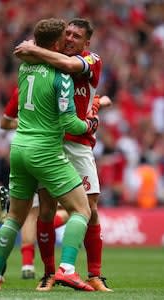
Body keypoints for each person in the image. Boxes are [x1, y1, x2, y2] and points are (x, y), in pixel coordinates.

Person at [0, 18, 98, 291]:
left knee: (15, 218)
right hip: (45, 150)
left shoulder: (25, 68)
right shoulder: (63, 77)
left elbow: (29, 54)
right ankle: (67, 270)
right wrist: (90, 124)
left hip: (19, 148)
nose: (69, 41)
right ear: (57, 43)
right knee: (81, 210)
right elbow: (70, 124)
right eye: (65, 37)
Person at [14, 18, 113, 292]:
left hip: (80, 145)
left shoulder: (91, 60)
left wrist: (34, 49)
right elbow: (22, 56)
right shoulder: (48, 61)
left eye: (76, 36)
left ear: (86, 43)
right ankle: (49, 274)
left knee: (90, 211)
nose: (70, 38)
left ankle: (95, 274)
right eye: (67, 33)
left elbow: (68, 65)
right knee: (45, 210)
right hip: (51, 145)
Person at [0, 86, 70, 280]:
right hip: (48, 152)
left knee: (28, 215)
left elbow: (4, 123)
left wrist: (22, 122)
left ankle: (22, 266)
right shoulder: (56, 83)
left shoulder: (21, 89)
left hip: (21, 150)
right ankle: (56, 268)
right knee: (68, 210)